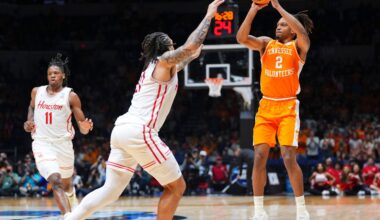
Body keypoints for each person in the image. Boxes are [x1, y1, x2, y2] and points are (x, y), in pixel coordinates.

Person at [66, 1, 224, 219]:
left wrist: (192, 53)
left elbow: (187, 54)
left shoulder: (158, 66)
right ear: (165, 47)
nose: (174, 44)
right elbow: (188, 47)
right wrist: (209, 15)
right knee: (177, 187)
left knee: (110, 192)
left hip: (122, 129)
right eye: (171, 43)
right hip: (139, 131)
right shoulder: (162, 62)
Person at [236, 0, 313, 219]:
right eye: (277, 24)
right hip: (266, 106)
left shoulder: (299, 46)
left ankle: (301, 209)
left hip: (288, 105)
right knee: (259, 156)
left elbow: (302, 34)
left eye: (283, 25)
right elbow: (241, 38)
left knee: (288, 157)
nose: (278, 27)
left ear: (292, 28)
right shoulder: (266, 44)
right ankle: (259, 211)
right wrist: (253, 9)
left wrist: (279, 8)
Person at [23, 54, 93, 217]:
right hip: (42, 143)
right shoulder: (36, 92)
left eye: (55, 73)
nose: (52, 75)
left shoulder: (70, 96)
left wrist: (85, 127)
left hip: (63, 145)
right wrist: (29, 121)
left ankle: (72, 205)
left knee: (67, 185)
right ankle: (68, 216)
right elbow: (31, 107)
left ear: (63, 75)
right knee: (55, 180)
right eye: (49, 73)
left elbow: (82, 128)